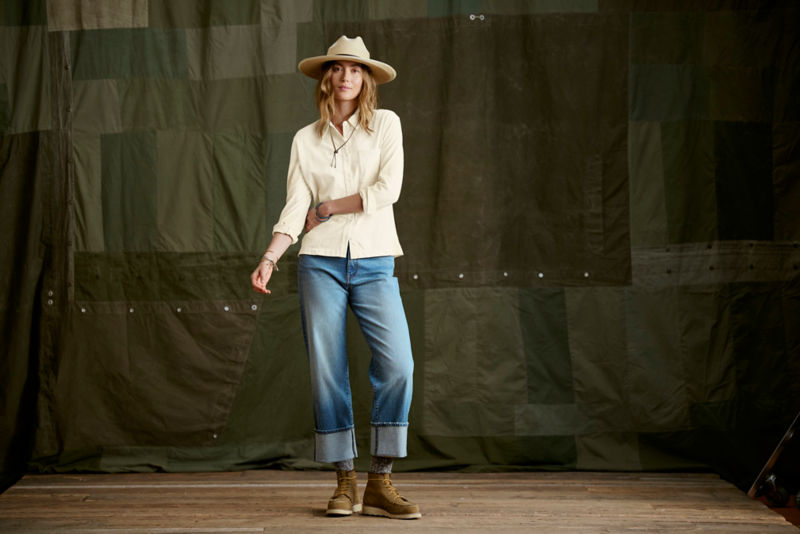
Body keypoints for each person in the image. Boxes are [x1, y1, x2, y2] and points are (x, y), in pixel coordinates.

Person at [250, 35, 420, 520]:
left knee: (399, 365)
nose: (347, 76)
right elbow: (294, 207)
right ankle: (345, 481)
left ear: (366, 79)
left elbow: (388, 189)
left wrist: (328, 207)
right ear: (327, 78)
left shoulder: (386, 124)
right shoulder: (306, 139)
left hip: (374, 260)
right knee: (328, 371)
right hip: (319, 262)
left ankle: (380, 480)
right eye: (339, 68)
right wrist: (270, 257)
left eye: (357, 69)